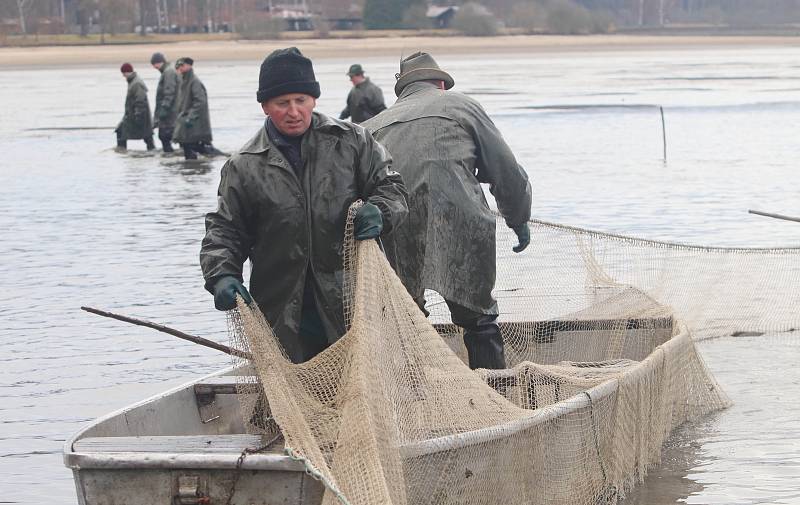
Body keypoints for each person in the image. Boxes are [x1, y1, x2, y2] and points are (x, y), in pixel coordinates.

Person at [200, 47, 408, 364]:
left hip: (351, 297)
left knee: (359, 381)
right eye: (282, 103)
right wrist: (221, 275)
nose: (293, 111)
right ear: (265, 106)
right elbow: (224, 230)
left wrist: (380, 209)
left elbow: (392, 188)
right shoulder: (243, 166)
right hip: (282, 308)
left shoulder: (352, 141)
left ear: (314, 99)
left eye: (301, 100)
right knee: (294, 394)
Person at [363, 51, 532, 370]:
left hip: (396, 228)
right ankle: (494, 401)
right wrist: (519, 219)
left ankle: (413, 404)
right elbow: (506, 171)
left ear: (403, 90)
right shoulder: (461, 105)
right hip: (461, 222)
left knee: (409, 319)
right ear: (440, 83)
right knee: (479, 318)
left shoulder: (372, 126)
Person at [172, 57, 222, 160]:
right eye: (178, 66)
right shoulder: (184, 81)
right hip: (187, 123)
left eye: (182, 65)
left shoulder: (194, 82)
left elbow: (200, 102)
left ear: (188, 66)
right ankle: (192, 169)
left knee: (198, 147)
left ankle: (222, 159)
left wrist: (190, 117)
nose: (179, 68)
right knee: (188, 147)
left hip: (194, 124)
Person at [115, 63, 155, 152]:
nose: (123, 76)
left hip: (138, 116)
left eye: (123, 73)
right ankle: (152, 152)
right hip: (134, 115)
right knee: (146, 136)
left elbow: (140, 101)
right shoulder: (133, 81)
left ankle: (122, 151)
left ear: (127, 72)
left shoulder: (136, 83)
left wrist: (138, 116)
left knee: (121, 132)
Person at [150, 52, 180, 153]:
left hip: (170, 113)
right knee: (170, 136)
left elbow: (169, 93)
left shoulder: (168, 72)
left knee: (164, 136)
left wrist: (164, 110)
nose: (154, 67)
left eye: (154, 64)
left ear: (159, 62)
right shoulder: (168, 71)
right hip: (172, 112)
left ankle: (170, 158)